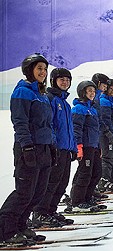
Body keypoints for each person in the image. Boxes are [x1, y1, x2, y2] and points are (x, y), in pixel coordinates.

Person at [0, 53, 57, 245]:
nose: (43, 72)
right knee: (24, 192)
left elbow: (47, 124)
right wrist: (27, 147)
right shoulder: (22, 91)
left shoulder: (41, 94)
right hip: (29, 148)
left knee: (38, 193)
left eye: (44, 69)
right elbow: (20, 122)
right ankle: (5, 231)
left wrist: (51, 145)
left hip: (44, 148)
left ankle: (20, 226)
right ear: (29, 70)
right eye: (39, 68)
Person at [32, 68, 77, 228]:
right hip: (55, 149)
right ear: (53, 81)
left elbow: (69, 129)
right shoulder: (50, 99)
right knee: (51, 182)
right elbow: (49, 124)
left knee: (62, 182)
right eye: (61, 79)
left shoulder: (65, 103)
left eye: (67, 80)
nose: (65, 82)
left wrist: (73, 148)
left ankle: (50, 211)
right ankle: (40, 213)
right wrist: (53, 145)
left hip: (65, 149)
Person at [69, 81, 104, 212]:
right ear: (82, 92)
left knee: (96, 173)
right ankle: (78, 201)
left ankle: (87, 198)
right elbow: (76, 129)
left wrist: (99, 146)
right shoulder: (78, 109)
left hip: (93, 146)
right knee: (85, 174)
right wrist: (79, 147)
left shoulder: (92, 109)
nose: (92, 93)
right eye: (89, 91)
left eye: (93, 91)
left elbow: (97, 129)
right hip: (85, 147)